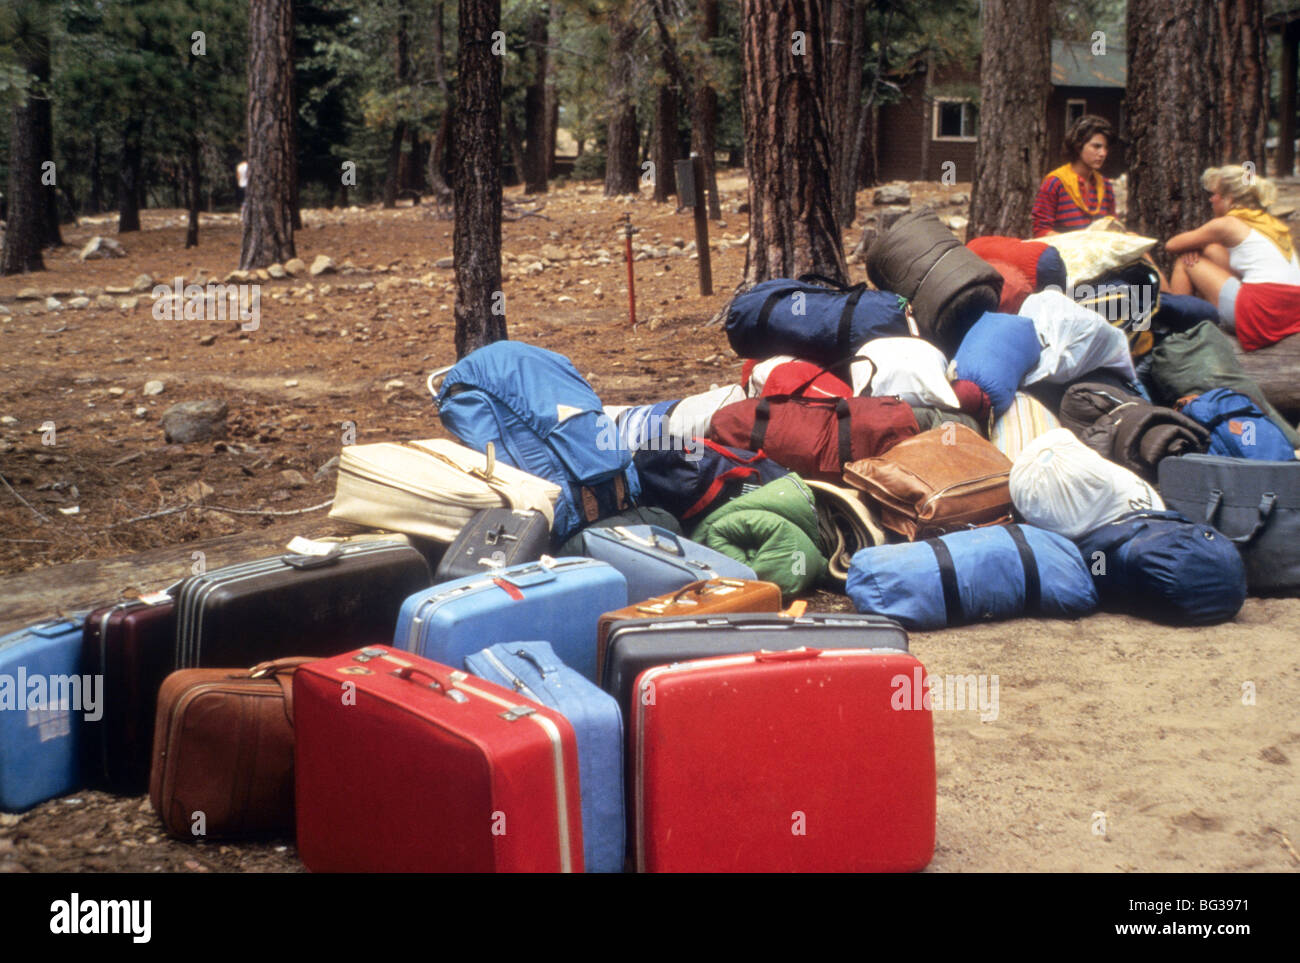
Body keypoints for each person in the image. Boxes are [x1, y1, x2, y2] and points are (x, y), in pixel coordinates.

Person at [1165, 165, 1300, 351]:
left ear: (1229, 198)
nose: (1211, 199)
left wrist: (1193, 246)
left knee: (1184, 261)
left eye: (1215, 194)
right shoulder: (1269, 223)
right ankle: (1199, 323)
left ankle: (1174, 335)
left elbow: (1171, 245)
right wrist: (1201, 246)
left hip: (1260, 314)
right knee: (1212, 250)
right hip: (1289, 312)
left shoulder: (1228, 225)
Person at [1031, 115, 1117, 237]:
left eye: (1105, 148)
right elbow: (1041, 230)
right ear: (1078, 146)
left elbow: (1113, 226)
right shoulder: (1055, 183)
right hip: (1063, 253)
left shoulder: (1105, 185)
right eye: (1096, 146)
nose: (1103, 153)